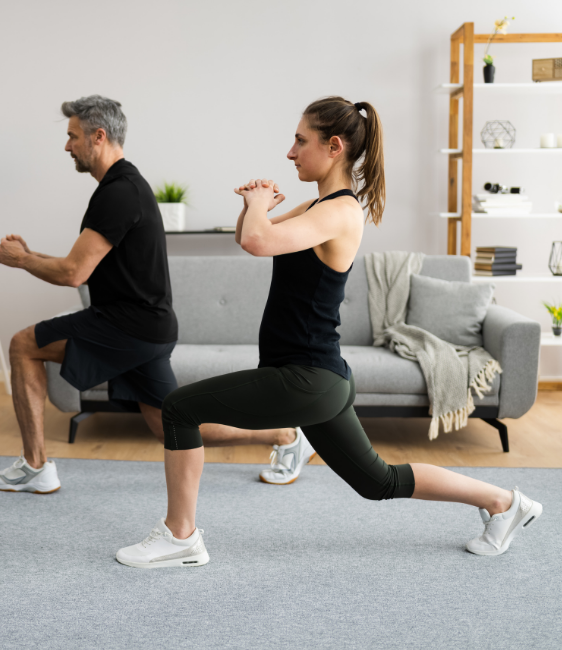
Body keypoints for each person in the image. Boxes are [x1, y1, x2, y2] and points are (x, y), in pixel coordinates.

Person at [116, 96, 543, 568]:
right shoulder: (320, 205)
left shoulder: (340, 212)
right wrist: (252, 206)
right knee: (378, 481)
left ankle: (181, 537)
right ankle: (505, 503)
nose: (291, 151)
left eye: (300, 140)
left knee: (177, 409)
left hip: (306, 377)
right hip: (320, 378)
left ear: (334, 146)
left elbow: (259, 240)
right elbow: (250, 236)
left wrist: (259, 205)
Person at [0, 95, 307, 494]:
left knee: (23, 345)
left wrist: (20, 261)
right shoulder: (123, 186)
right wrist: (32, 255)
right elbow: (84, 262)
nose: (67, 146)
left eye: (72, 136)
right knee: (166, 425)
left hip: (127, 326)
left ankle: (35, 466)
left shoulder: (118, 193)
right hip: (146, 327)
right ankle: (284, 436)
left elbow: (73, 273)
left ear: (98, 136)